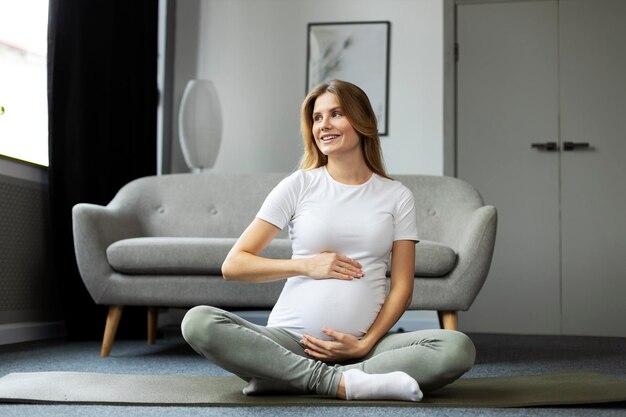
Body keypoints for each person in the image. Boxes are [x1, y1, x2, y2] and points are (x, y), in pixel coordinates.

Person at [181, 79, 475, 401]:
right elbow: (234, 264)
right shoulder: (299, 185)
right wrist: (307, 266)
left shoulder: (396, 196)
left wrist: (365, 343)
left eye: (336, 114)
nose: (324, 125)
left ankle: (285, 378)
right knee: (199, 322)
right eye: (317, 118)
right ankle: (340, 383)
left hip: (365, 347)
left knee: (456, 347)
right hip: (289, 342)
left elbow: (402, 288)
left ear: (361, 121)